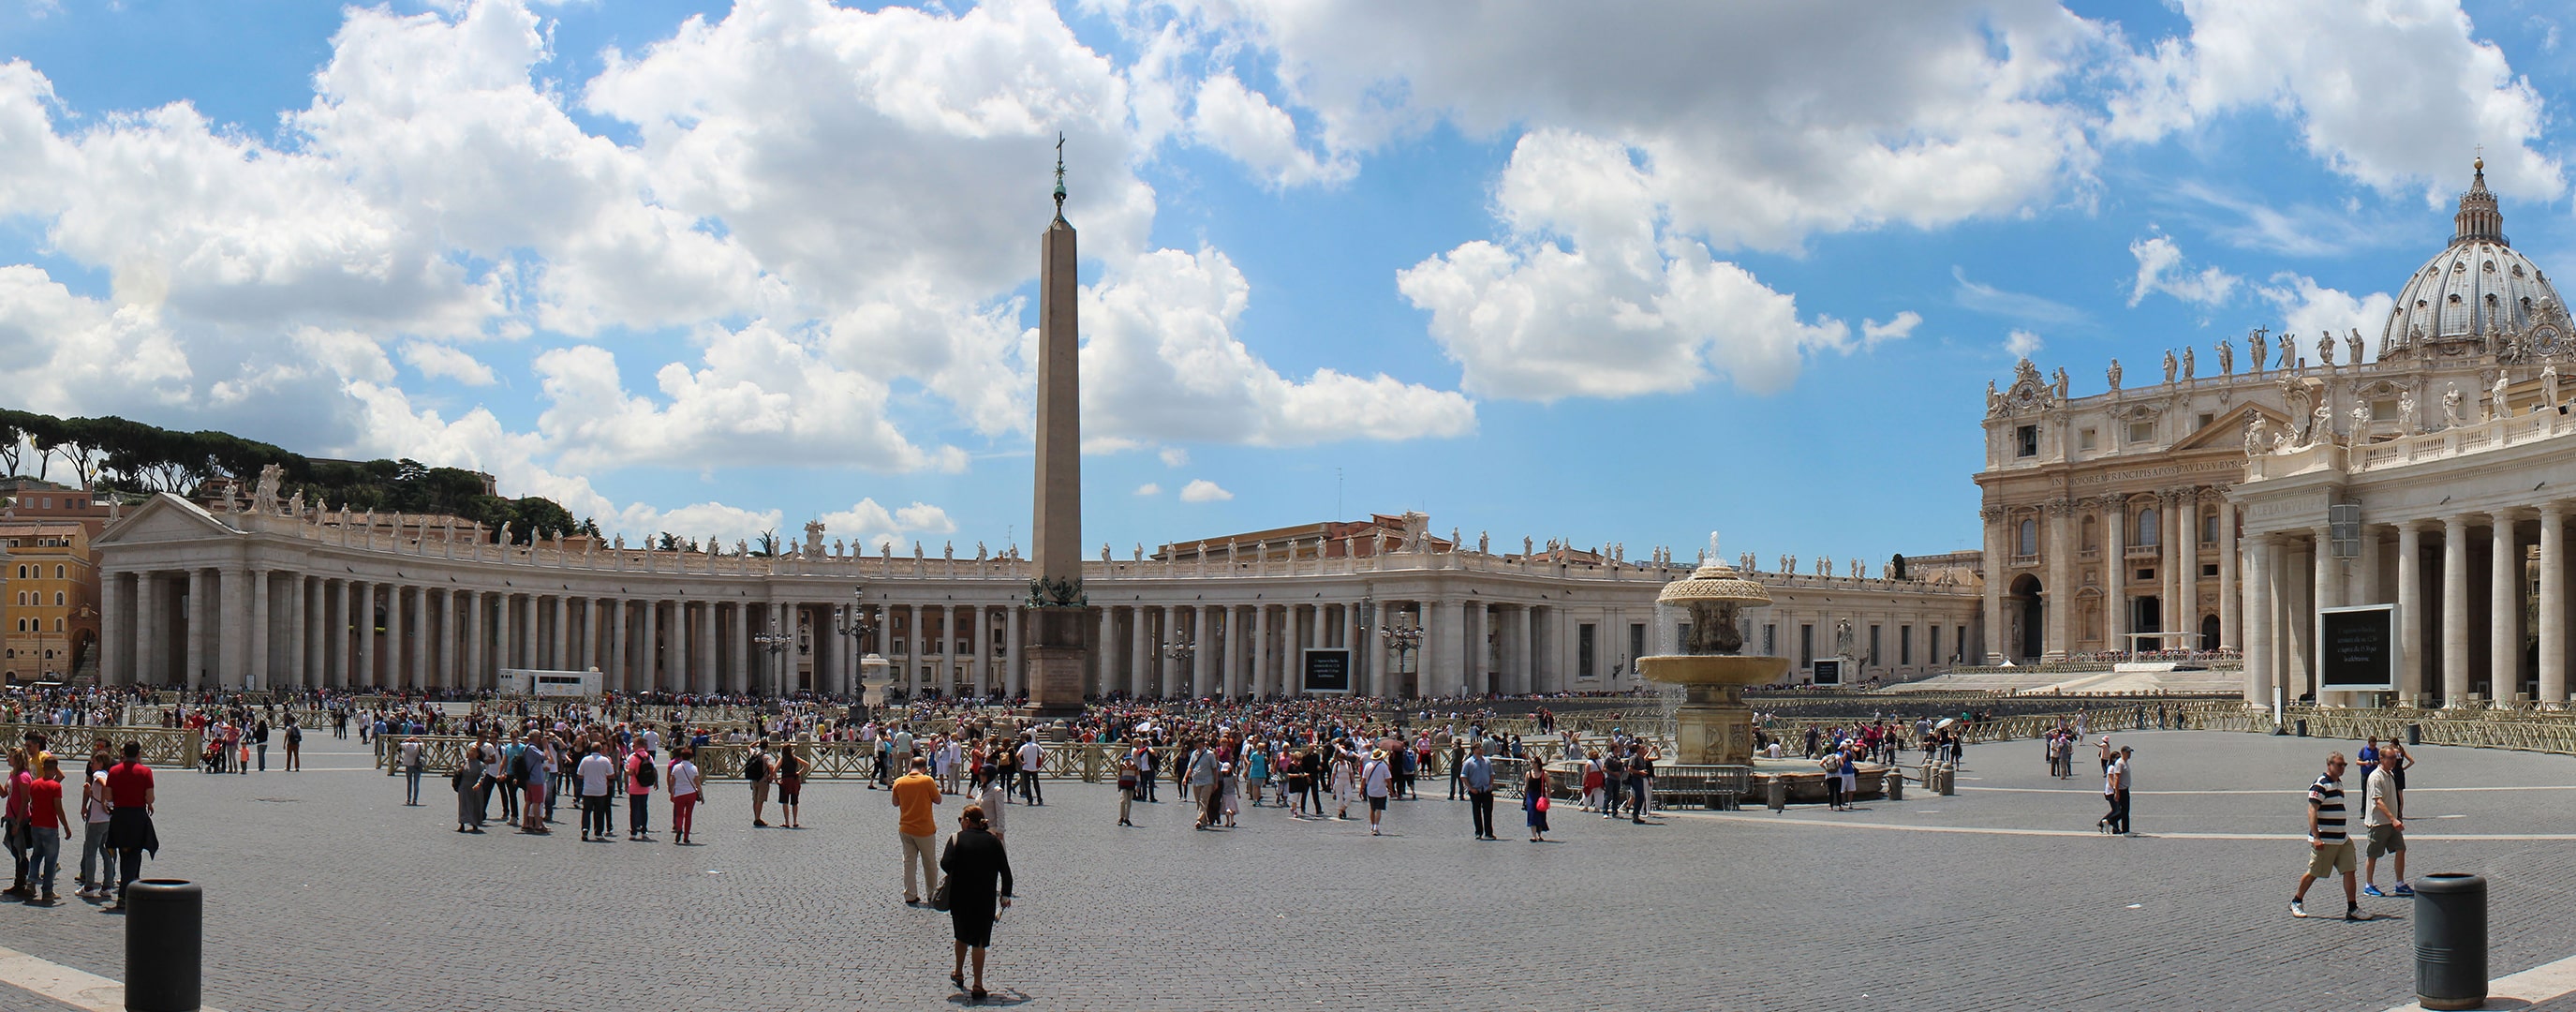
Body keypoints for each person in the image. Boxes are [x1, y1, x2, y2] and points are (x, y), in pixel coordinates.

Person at [938, 804, 1014, 1003]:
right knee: (979, 942)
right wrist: (1005, 895)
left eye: (960, 819)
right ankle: (978, 984)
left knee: (961, 936)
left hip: (960, 897)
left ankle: (959, 972)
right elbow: (1006, 873)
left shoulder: (956, 839)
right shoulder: (993, 841)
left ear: (967, 821)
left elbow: (945, 864)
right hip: (984, 898)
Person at [2291, 752, 2365, 920]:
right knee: (2314, 872)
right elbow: (2312, 811)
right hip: (2325, 840)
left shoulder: (2338, 783)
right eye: (2339, 765)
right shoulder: (2320, 785)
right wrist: (2316, 837)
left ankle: (2352, 908)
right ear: (2329, 765)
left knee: (2349, 870)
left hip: (2342, 838)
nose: (2342, 768)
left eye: (2344, 765)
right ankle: (2296, 901)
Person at [102, 742, 155, 911]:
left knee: (123, 853)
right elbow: (150, 798)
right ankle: (124, 894)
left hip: (119, 816)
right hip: (137, 816)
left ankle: (126, 891)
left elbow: (108, 796)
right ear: (138, 753)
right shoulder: (145, 772)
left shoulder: (114, 771)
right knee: (134, 853)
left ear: (124, 753)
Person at [893, 756, 943, 904]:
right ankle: (932, 893)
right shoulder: (927, 780)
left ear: (910, 767)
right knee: (929, 862)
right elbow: (938, 800)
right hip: (924, 829)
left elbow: (895, 803)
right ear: (924, 769)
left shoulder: (899, 781)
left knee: (909, 863)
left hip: (905, 827)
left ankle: (910, 894)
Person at [2361, 750, 2411, 898]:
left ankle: (2400, 883)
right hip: (2378, 823)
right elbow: (2378, 801)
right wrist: (2393, 819)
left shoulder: (2391, 774)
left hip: (2392, 822)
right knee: (2373, 854)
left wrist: (2397, 817)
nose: (2393, 760)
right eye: (2390, 758)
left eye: (2395, 757)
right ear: (2381, 758)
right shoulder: (2375, 777)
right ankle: (2368, 884)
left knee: (2401, 849)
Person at [23, 756, 66, 904]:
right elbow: (58, 808)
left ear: (43, 767)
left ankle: (31, 883)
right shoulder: (55, 786)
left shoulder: (34, 784)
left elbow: (31, 803)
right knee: (51, 859)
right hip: (50, 826)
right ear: (55, 769)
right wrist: (66, 826)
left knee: (36, 855)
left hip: (35, 825)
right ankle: (47, 891)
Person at [75, 751, 111, 900]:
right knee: (106, 851)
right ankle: (107, 886)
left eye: (93, 762)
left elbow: (103, 785)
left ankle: (89, 886)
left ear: (101, 763)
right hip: (108, 819)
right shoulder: (109, 774)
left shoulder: (99, 774)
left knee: (91, 852)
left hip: (96, 819)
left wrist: (102, 802)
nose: (91, 765)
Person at [576, 744, 615, 842]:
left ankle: (585, 829)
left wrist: (587, 776)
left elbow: (579, 774)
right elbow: (611, 775)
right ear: (600, 750)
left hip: (588, 789)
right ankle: (598, 832)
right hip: (600, 790)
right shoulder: (605, 760)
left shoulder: (585, 760)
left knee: (586, 811)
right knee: (599, 811)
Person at [1459, 743, 1495, 840]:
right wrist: (1470, 788)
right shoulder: (1468, 762)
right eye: (1478, 748)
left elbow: (1492, 774)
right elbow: (1463, 776)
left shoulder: (1487, 761)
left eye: (1481, 748)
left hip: (1486, 790)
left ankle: (1489, 833)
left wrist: (1491, 785)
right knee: (1476, 812)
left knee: (1488, 812)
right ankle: (1478, 832)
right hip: (1476, 791)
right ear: (1474, 750)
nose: (1481, 749)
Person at [669, 746, 702, 845]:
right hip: (691, 793)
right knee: (688, 815)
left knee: (679, 814)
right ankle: (686, 837)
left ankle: (679, 829)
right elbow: (698, 784)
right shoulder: (694, 768)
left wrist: (671, 793)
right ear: (691, 757)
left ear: (682, 757)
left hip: (679, 793)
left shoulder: (676, 767)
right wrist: (701, 795)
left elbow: (672, 782)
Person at [625, 744, 657, 841]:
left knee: (634, 810)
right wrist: (656, 782)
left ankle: (634, 832)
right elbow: (653, 770)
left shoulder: (634, 758)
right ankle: (644, 831)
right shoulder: (649, 757)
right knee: (644, 809)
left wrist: (625, 769)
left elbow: (630, 772)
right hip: (645, 787)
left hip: (635, 787)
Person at [1361, 749, 1394, 836]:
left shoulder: (1368, 765)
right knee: (1379, 809)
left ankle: (1372, 826)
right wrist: (1391, 790)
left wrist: (1361, 790)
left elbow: (1363, 779)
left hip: (1370, 790)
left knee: (1372, 808)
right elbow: (1388, 780)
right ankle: (1376, 826)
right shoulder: (1384, 766)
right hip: (1381, 790)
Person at [776, 741, 807, 829]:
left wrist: (776, 780)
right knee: (794, 802)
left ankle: (787, 822)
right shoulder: (795, 758)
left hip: (785, 780)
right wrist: (799, 773)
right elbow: (806, 764)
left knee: (785, 801)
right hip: (794, 780)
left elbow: (774, 770)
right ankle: (795, 821)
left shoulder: (782, 759)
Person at [2103, 746, 2132, 836]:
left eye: (2130, 752)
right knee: (2124, 810)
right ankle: (2125, 830)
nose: (2129, 754)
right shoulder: (2120, 763)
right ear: (2123, 753)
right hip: (2121, 789)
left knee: (2125, 810)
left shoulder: (2125, 762)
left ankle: (2110, 822)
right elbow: (2116, 778)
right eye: (2128, 752)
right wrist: (2116, 792)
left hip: (2125, 789)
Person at [745, 740, 774, 827]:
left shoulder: (755, 753)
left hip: (754, 779)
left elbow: (749, 747)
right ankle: (758, 818)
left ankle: (756, 817)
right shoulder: (766, 757)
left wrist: (756, 742)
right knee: (760, 800)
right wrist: (771, 777)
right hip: (763, 780)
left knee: (755, 799)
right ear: (767, 747)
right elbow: (771, 767)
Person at [1523, 760, 1552, 842]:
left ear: (1537, 763)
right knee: (1532, 814)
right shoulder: (1528, 774)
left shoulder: (1544, 774)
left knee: (1540, 815)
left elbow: (1549, 787)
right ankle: (1534, 836)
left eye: (1533, 762)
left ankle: (1539, 834)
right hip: (1531, 796)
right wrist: (1525, 797)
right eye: (1531, 762)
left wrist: (1548, 797)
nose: (1531, 764)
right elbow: (1526, 786)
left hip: (1541, 796)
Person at [1015, 735, 1045, 806]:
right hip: (1034, 767)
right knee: (1036, 784)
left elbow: (1017, 755)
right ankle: (1039, 799)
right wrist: (1041, 762)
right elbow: (1044, 753)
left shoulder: (1024, 746)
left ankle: (1030, 800)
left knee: (1027, 784)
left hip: (1026, 767)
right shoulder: (1036, 746)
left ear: (1026, 739)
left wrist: (1021, 762)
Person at [399, 734, 424, 806]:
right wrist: (416, 739)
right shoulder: (418, 745)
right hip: (417, 765)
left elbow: (401, 743)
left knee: (409, 783)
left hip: (408, 764)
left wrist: (407, 739)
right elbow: (422, 743)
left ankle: (408, 799)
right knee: (416, 784)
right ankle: (415, 800)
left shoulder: (406, 746)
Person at [1115, 753, 1138, 827]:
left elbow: (1138, 776)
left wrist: (1138, 786)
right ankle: (1121, 817)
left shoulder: (1134, 767)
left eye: (1128, 759)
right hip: (1123, 785)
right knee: (1123, 800)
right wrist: (1118, 785)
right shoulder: (1122, 766)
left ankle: (1126, 818)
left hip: (1131, 785)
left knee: (1129, 802)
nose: (1127, 761)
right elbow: (1119, 776)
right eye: (1126, 760)